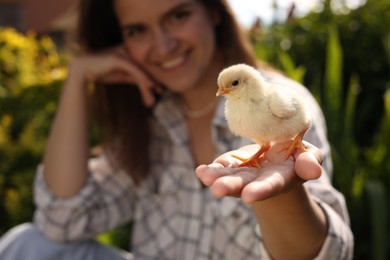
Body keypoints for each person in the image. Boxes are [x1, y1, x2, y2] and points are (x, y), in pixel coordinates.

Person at [0, 0, 353, 259]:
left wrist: (281, 194)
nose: (164, 45)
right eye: (137, 30)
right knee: (28, 245)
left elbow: (330, 253)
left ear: (213, 11)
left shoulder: (281, 98)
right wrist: (78, 78)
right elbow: (60, 222)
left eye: (178, 15)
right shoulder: (152, 121)